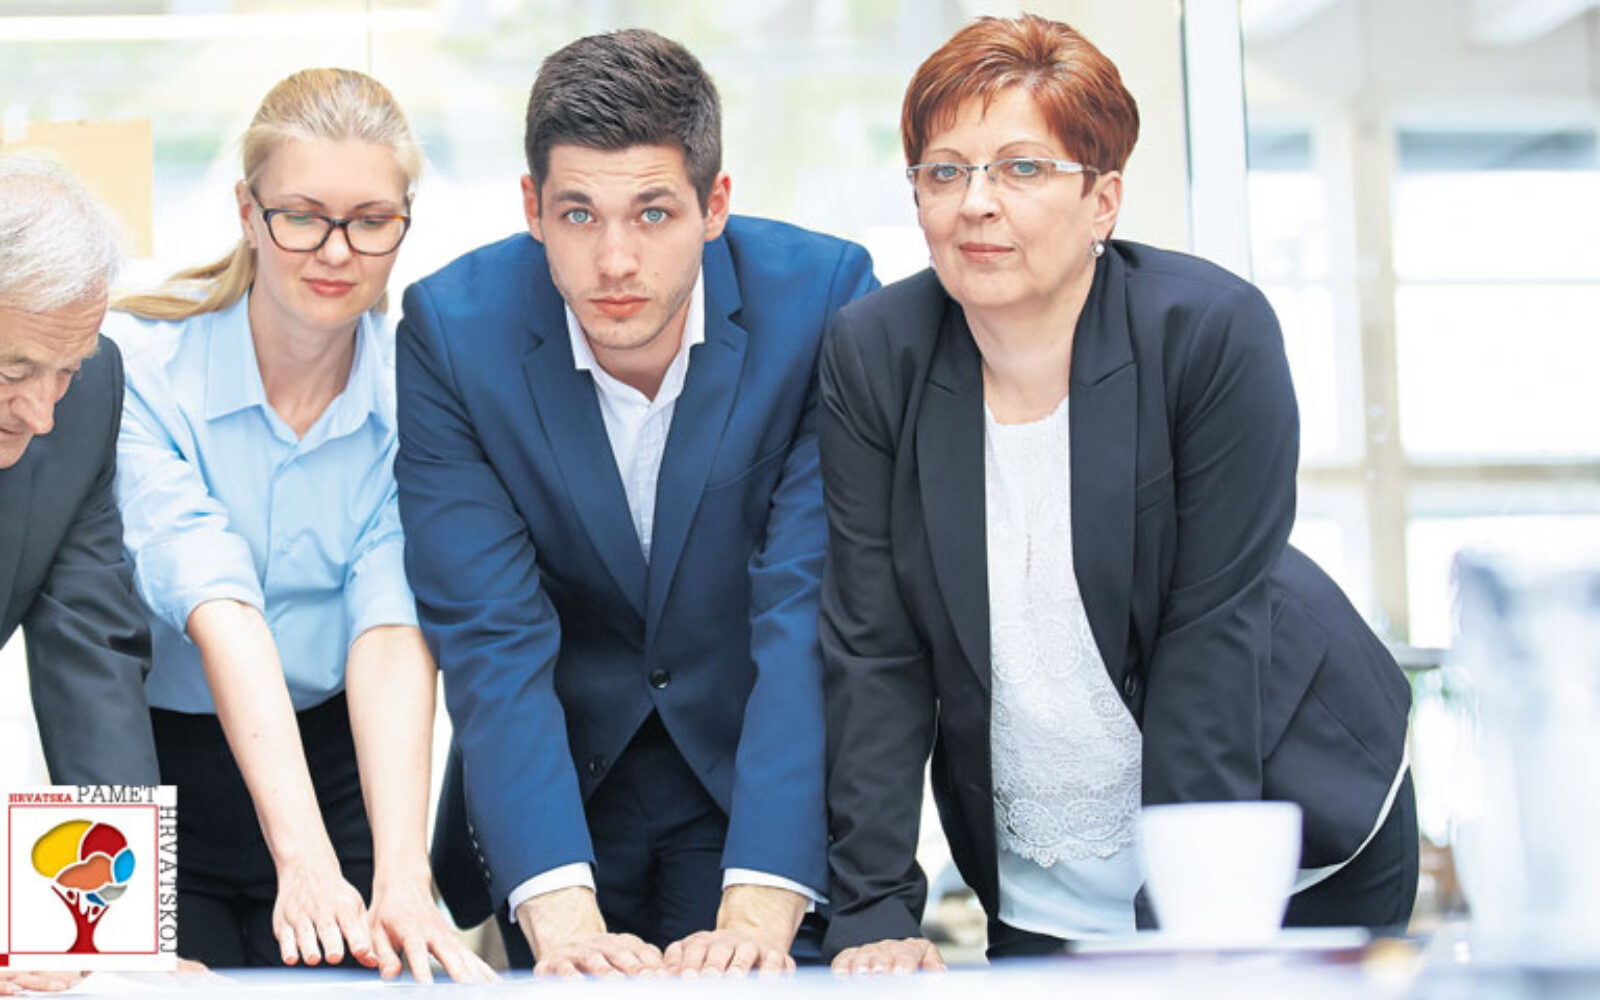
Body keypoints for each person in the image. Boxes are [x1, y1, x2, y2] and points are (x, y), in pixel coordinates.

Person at [818, 14, 1416, 971]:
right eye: (945, 171)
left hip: (1276, 828)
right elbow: (872, 649)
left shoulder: (1207, 331)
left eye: (1021, 168)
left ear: (1103, 199)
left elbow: (1210, 637)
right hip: (1043, 870)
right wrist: (877, 910)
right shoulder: (874, 352)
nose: (976, 203)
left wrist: (1188, 928)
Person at [397, 28, 877, 978]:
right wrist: (560, 917)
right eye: (579, 214)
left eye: (653, 213)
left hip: (755, 777)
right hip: (558, 789)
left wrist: (763, 903)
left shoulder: (823, 301)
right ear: (532, 209)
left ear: (715, 205)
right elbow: (491, 636)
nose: (615, 260)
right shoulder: (454, 332)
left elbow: (806, 607)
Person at [106, 68, 493, 984]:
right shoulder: (141, 374)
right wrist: (301, 860)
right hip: (162, 769)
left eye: (370, 220)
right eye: (303, 217)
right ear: (248, 213)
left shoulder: (419, 399)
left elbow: (391, 628)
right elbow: (219, 605)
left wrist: (401, 873)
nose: (335, 251)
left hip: (349, 766)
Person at [0, 154, 159, 999]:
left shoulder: (88, 395)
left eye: (64, 369)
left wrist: (109, 939)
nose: (41, 413)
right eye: (11, 372)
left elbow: (90, 654)